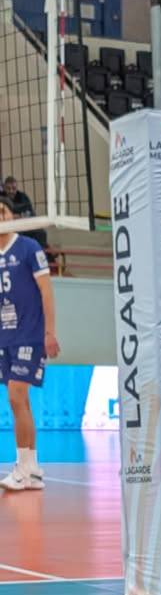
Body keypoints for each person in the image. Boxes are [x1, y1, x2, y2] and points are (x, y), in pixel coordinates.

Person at [0, 198, 59, 491]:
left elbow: (46, 292)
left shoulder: (28, 247)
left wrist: (49, 333)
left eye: (2, 211)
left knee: (16, 395)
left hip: (30, 334)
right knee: (19, 402)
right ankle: (32, 470)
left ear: (13, 216)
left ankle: (23, 469)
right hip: (5, 337)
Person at [2, 176, 49, 254]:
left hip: (23, 225)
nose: (11, 191)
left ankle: (41, 254)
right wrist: (12, 217)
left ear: (16, 188)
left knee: (41, 233)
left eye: (13, 188)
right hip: (7, 228)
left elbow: (31, 214)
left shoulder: (23, 197)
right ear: (4, 188)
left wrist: (20, 216)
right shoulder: (2, 198)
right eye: (8, 188)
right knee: (18, 235)